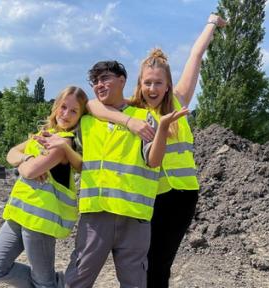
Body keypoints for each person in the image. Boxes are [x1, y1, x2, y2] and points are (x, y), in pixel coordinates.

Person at [87, 14, 226, 287]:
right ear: (140, 84)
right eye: (147, 82)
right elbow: (93, 106)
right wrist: (128, 121)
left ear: (167, 85)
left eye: (158, 83)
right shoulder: (133, 109)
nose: (152, 88)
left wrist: (211, 23)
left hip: (183, 196)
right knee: (143, 263)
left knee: (161, 263)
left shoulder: (179, 101)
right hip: (149, 197)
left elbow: (196, 56)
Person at [59, 61, 188, 287]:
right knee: (76, 280)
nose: (99, 85)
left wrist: (163, 128)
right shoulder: (86, 121)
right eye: (95, 81)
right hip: (96, 215)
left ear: (122, 81)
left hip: (134, 218)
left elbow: (154, 161)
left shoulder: (144, 117)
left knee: (135, 283)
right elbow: (60, 135)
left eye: (105, 78)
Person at [0, 86, 88, 288]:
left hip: (40, 222)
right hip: (19, 213)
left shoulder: (64, 143)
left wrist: (22, 165)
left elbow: (30, 172)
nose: (66, 114)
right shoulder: (45, 133)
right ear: (56, 106)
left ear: (80, 116)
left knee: (44, 283)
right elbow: (11, 153)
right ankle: (55, 284)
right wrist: (26, 157)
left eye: (74, 111)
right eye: (63, 107)